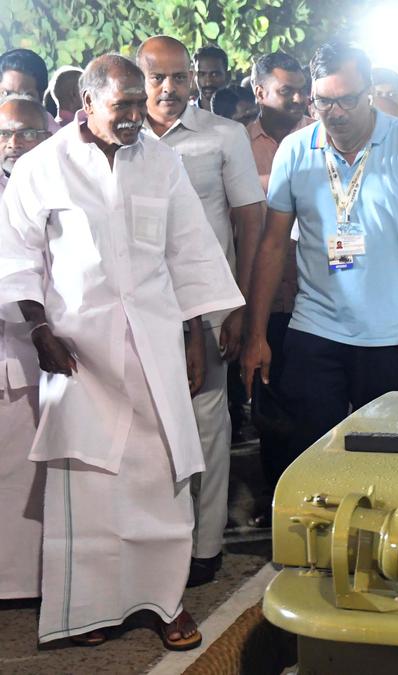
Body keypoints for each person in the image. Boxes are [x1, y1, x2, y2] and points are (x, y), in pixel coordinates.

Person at [0, 53, 243, 650]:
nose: (137, 115)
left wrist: (193, 336)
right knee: (89, 489)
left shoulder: (160, 161)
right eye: (123, 105)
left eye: (140, 103)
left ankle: (166, 604)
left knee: (162, 482)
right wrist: (39, 330)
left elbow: (189, 250)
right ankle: (92, 612)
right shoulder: (42, 166)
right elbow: (17, 255)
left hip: (154, 346)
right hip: (78, 353)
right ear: (86, 104)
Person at [240, 42, 398, 479]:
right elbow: (272, 246)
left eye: (347, 99)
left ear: (368, 91)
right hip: (316, 326)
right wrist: (256, 334)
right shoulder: (295, 150)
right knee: (312, 455)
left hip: (392, 333)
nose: (335, 113)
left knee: (383, 463)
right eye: (323, 101)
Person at [137, 35, 267, 587]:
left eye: (179, 76)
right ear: (140, 79)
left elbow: (250, 222)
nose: (169, 88)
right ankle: (155, 541)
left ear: (193, 78)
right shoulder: (120, 135)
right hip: (139, 305)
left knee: (207, 422)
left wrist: (238, 304)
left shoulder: (223, 135)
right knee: (147, 428)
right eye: (157, 77)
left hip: (210, 304)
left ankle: (204, 546)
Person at [245, 52, 311, 522]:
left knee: (315, 406)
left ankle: (316, 502)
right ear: (259, 92)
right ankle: (278, 506)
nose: (297, 99)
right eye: (286, 91)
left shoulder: (322, 138)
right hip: (264, 298)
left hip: (316, 298)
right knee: (269, 411)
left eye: (301, 90)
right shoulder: (238, 145)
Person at [0, 95, 50, 601]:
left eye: (29, 133)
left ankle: (32, 585)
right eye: (6, 134)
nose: (16, 143)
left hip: (55, 355)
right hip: (12, 352)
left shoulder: (59, 185)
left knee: (31, 478)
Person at [0, 49, 58, 132]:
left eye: (26, 96)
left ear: (41, 97)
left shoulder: (56, 137)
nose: (15, 104)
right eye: (6, 94)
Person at [193, 45, 230, 111]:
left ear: (228, 76)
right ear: (195, 77)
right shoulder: (184, 115)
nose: (208, 82)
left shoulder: (240, 114)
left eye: (214, 74)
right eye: (202, 74)